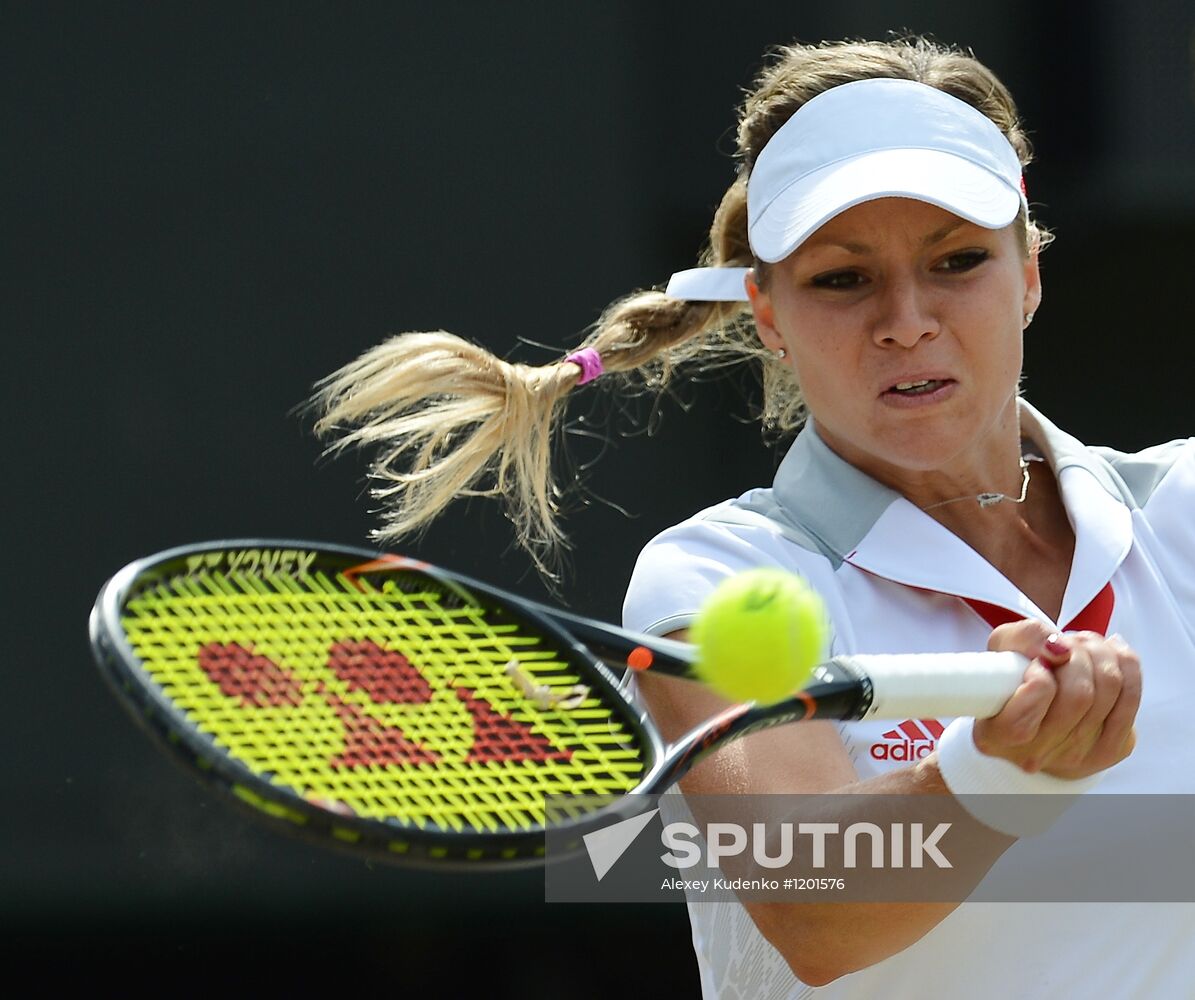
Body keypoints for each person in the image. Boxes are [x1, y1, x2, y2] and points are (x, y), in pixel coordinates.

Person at [311, 37, 1195, 998]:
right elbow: (813, 910)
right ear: (767, 314)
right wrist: (995, 772)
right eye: (841, 279)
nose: (905, 318)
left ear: (1026, 272)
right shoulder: (719, 576)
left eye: (957, 260)